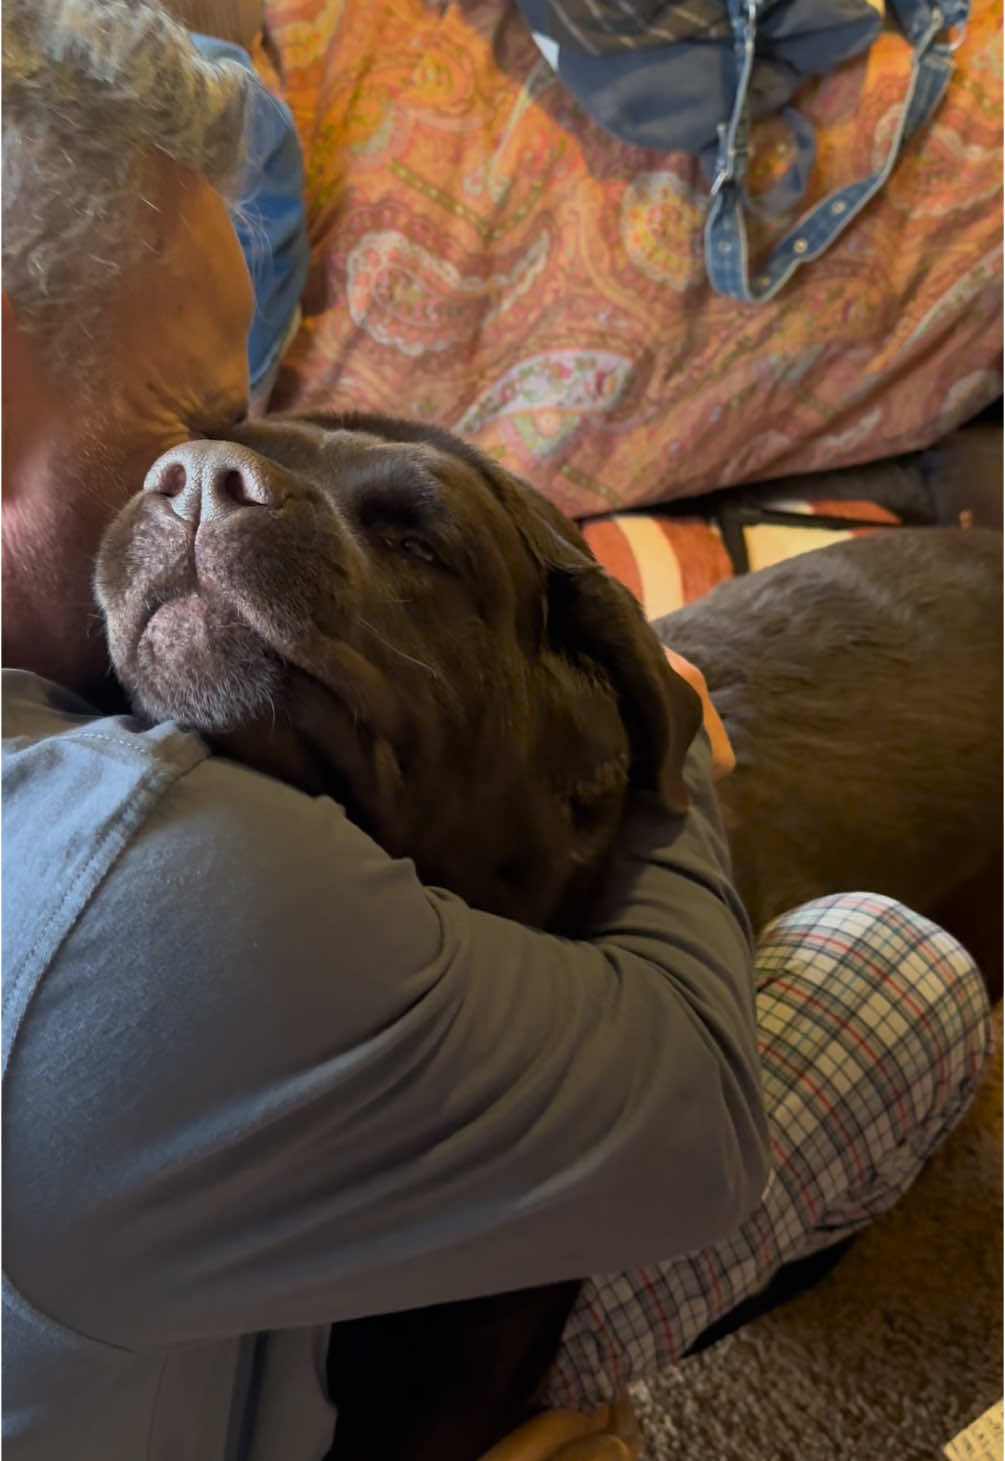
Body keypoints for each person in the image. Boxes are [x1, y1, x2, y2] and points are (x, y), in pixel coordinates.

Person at [1, 4, 991, 1461]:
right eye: (191, 414)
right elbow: (694, 1126)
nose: (214, 463)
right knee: (884, 985)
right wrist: (661, 742)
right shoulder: (148, 878)